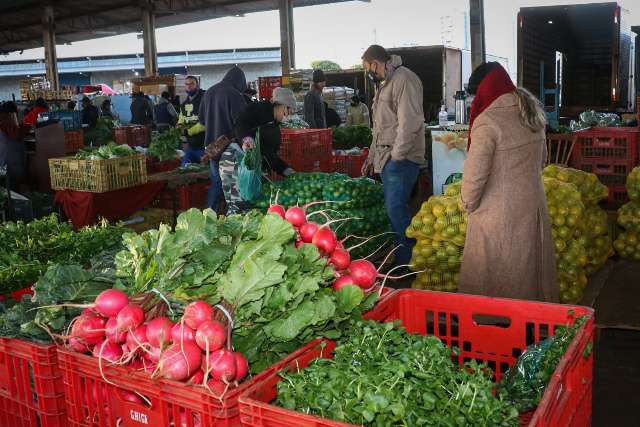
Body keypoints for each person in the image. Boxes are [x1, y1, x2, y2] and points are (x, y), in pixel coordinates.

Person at [458, 62, 558, 302]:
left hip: (498, 215)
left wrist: (466, 203)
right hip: (531, 206)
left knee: (497, 281)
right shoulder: (530, 111)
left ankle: (495, 326)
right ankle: (532, 323)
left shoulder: (488, 121)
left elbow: (474, 178)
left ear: (482, 90)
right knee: (528, 275)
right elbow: (543, 160)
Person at [361, 44, 425, 268]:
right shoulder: (385, 83)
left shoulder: (403, 79)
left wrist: (396, 157)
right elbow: (379, 128)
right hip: (387, 157)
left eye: (367, 67)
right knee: (395, 210)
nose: (368, 72)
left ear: (375, 63)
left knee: (395, 210)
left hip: (402, 159)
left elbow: (410, 123)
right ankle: (404, 258)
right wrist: (371, 158)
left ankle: (408, 264)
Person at [218, 87, 297, 214]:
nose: (289, 115)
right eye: (289, 111)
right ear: (282, 106)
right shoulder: (260, 109)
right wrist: (247, 139)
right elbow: (241, 122)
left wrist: (286, 170)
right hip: (235, 161)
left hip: (251, 166)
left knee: (251, 205)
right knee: (238, 206)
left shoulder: (274, 126)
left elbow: (270, 154)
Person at [199, 65, 247, 212]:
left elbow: (201, 121)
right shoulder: (234, 94)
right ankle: (231, 215)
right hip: (229, 150)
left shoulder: (209, 92)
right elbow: (242, 122)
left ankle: (209, 213)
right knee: (232, 186)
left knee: (216, 183)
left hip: (212, 149)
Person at [178, 76, 207, 165]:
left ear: (197, 85)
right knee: (184, 167)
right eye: (187, 84)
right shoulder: (184, 104)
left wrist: (188, 130)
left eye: (191, 84)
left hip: (204, 146)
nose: (189, 86)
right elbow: (181, 121)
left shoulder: (205, 100)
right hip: (190, 146)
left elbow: (206, 123)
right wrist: (179, 127)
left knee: (206, 173)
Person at [0, 101, 25, 191]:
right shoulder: (10, 121)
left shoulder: (6, 122)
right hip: (11, 165)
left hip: (8, 165)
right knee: (12, 190)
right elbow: (15, 136)